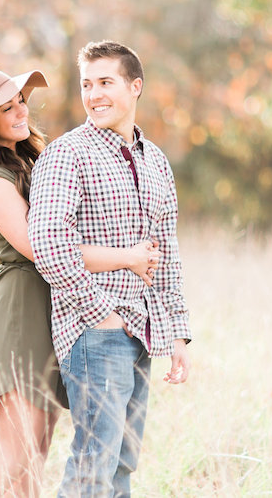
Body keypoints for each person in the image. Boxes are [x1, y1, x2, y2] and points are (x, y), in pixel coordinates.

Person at [0, 66, 163, 498]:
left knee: (35, 458)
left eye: (20, 102)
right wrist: (126, 257)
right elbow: (42, 247)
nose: (19, 112)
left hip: (53, 307)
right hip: (19, 311)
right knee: (16, 456)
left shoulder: (29, 162)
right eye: (5, 108)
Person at [28, 41, 192, 497]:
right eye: (86, 84)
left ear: (135, 87)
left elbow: (167, 253)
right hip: (94, 331)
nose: (94, 94)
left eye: (106, 82)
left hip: (143, 330)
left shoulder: (156, 161)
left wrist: (176, 332)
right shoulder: (67, 155)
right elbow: (48, 244)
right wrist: (100, 313)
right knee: (93, 462)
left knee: (122, 462)